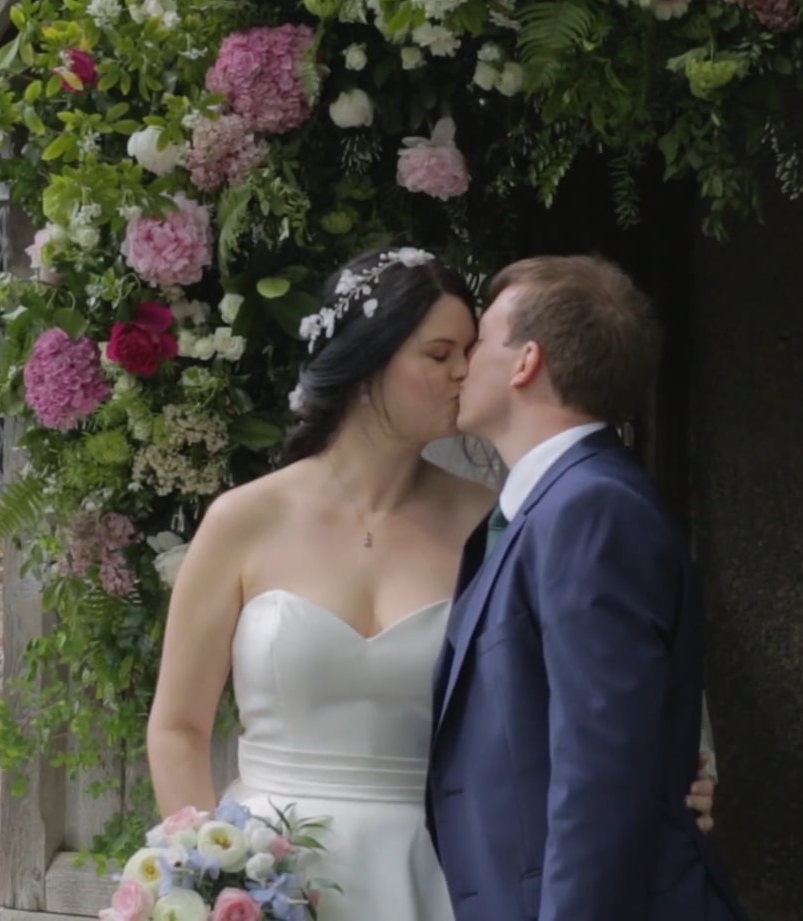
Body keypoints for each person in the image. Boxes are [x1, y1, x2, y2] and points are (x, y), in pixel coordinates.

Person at [146, 247, 717, 919]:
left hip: (443, 873)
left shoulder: (501, 521)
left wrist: (678, 777)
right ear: (369, 362)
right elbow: (179, 725)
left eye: (471, 350)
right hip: (273, 877)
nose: (463, 370)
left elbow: (595, 690)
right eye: (440, 353)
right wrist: (215, 879)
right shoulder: (242, 519)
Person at [428, 255, 746, 920]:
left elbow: (600, 772)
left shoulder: (591, 509)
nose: (461, 366)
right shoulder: (545, 508)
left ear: (526, 362)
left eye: (479, 341)